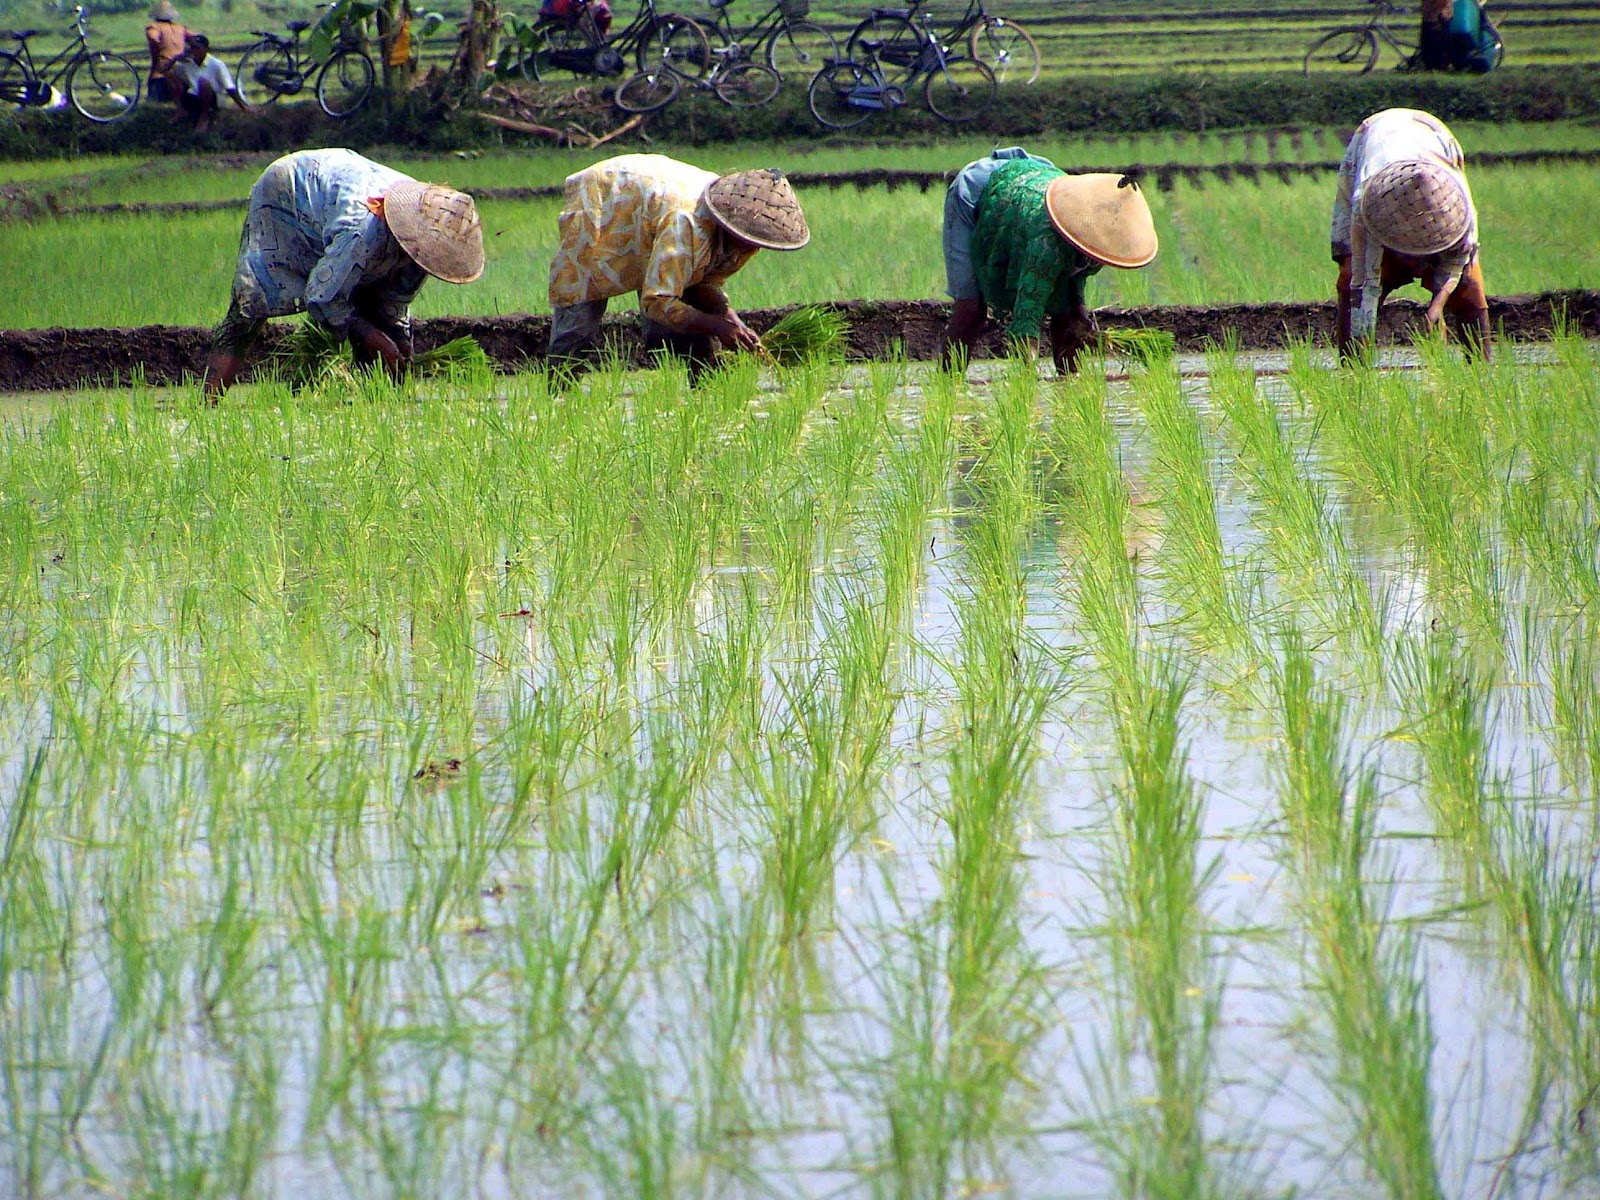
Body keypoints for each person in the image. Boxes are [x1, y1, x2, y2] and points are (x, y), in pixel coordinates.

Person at [205, 149, 485, 396]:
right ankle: (208, 403)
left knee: (371, 312)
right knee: (249, 308)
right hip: (290, 192)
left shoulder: (423, 247)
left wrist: (400, 348)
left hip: (338, 201)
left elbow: (395, 304)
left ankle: (371, 402)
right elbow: (321, 297)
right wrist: (373, 338)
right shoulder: (361, 230)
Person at [547, 154, 809, 371]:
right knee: (578, 321)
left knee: (696, 331)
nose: (753, 249)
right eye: (750, 241)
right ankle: (557, 399)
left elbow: (704, 283)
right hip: (607, 199)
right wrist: (718, 325)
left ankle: (706, 397)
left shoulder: (742, 240)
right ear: (731, 228)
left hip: (652, 214)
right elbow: (657, 301)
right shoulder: (687, 225)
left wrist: (731, 321)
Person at [937, 146, 1158, 375]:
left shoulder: (1098, 234)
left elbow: (1073, 282)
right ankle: (947, 383)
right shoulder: (1046, 243)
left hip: (1040, 177)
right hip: (979, 189)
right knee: (971, 308)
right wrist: (1028, 377)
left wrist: (1081, 323)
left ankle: (1070, 383)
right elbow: (1027, 314)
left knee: (1068, 316)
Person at [1331, 108, 1491, 362]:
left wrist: (1437, 306)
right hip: (1375, 139)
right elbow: (1365, 283)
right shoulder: (1369, 205)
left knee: (1469, 286)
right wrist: (1361, 340)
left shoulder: (1457, 205)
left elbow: (1458, 261)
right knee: (1350, 278)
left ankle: (1482, 370)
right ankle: (1352, 370)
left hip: (1432, 135)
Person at [168, 35, 247, 133]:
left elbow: (229, 87)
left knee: (203, 83)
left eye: (197, 48)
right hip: (194, 97)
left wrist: (243, 107)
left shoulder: (217, 64)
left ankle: (204, 117)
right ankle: (181, 110)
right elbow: (164, 72)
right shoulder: (186, 64)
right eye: (192, 48)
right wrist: (174, 60)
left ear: (206, 49)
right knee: (171, 75)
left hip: (212, 100)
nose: (194, 51)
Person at [144, 1, 188, 104]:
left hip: (160, 76)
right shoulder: (181, 29)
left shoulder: (155, 27)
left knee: (154, 102)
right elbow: (196, 38)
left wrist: (159, 44)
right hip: (181, 76)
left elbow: (152, 36)